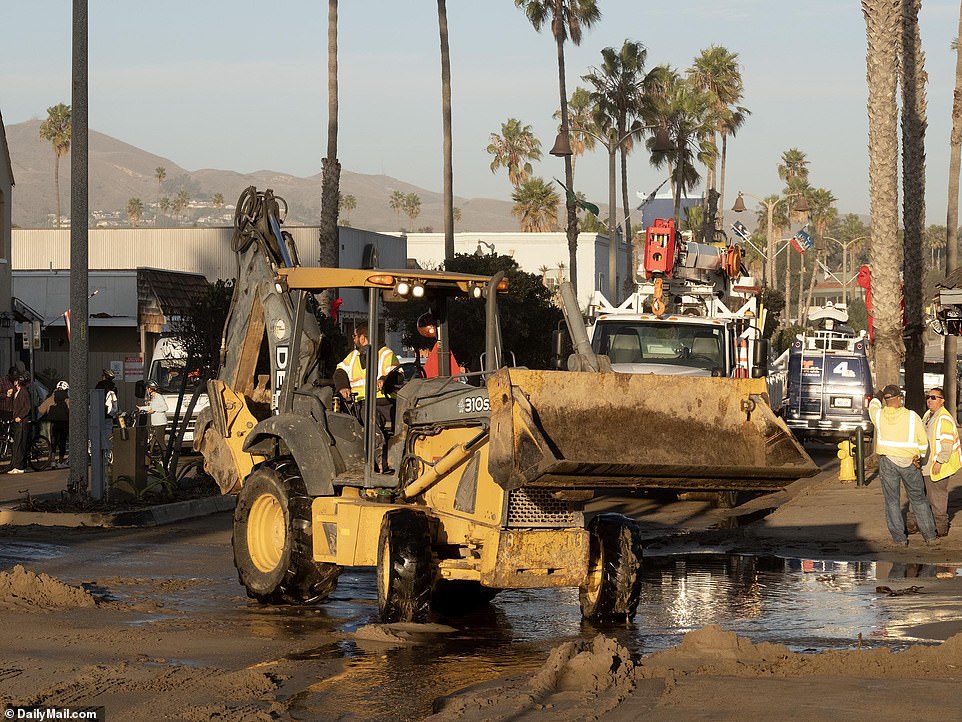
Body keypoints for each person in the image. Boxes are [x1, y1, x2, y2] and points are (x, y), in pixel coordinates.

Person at [868, 384, 937, 546]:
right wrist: (919, 458)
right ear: (900, 398)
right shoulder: (912, 416)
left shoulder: (878, 416)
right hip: (910, 462)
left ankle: (899, 539)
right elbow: (923, 442)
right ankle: (930, 537)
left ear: (886, 401)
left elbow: (873, 404)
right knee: (919, 499)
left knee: (892, 501)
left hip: (888, 462)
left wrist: (879, 393)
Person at [334, 322, 399, 472]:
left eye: (355, 336)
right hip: (363, 405)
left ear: (363, 338)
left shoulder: (385, 354)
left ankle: (379, 459)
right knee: (367, 415)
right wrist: (343, 386)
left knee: (369, 416)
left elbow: (396, 375)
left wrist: (384, 380)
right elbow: (340, 371)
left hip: (386, 403)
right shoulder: (353, 356)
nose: (353, 339)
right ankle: (376, 456)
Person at [906, 387, 961, 538]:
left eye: (933, 397)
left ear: (942, 401)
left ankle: (940, 527)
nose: (929, 400)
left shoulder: (944, 419)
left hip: (937, 466)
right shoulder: (928, 415)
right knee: (916, 495)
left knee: (937, 498)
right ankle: (913, 524)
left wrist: (939, 462)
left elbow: (947, 445)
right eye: (928, 397)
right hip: (924, 465)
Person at [38, 381, 70, 468]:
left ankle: (52, 461)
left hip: (53, 422)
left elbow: (41, 410)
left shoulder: (51, 398)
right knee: (62, 443)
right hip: (64, 422)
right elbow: (70, 411)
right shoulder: (67, 398)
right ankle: (60, 461)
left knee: (53, 442)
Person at [138, 379, 169, 462]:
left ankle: (165, 459)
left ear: (150, 389)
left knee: (160, 441)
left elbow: (165, 408)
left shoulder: (158, 396)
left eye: (147, 388)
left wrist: (154, 410)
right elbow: (151, 408)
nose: (146, 390)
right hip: (155, 423)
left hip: (160, 423)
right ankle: (148, 459)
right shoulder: (153, 397)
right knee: (153, 442)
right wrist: (141, 408)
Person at [7, 374, 32, 474]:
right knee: (18, 443)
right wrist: (9, 396)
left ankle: (19, 466)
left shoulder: (24, 392)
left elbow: (27, 407)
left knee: (20, 443)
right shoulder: (17, 392)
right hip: (17, 421)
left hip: (22, 422)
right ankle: (18, 465)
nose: (15, 382)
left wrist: (20, 417)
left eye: (16, 380)